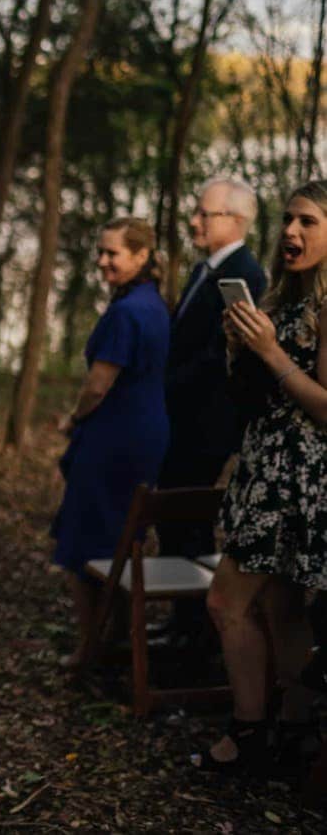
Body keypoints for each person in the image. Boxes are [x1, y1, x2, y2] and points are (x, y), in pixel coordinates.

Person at [195, 180, 327, 774]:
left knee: (226, 600)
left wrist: (272, 353)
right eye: (289, 221)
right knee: (281, 611)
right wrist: (240, 349)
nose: (292, 233)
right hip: (263, 470)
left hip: (297, 482)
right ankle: (295, 731)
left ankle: (247, 733)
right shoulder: (285, 299)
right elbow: (256, 401)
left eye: (309, 223)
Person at [50, 218, 170, 667]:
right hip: (145, 434)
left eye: (113, 253)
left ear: (141, 256)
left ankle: (90, 649)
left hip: (115, 438)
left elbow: (99, 384)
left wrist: (70, 419)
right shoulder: (153, 303)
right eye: (100, 252)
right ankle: (117, 635)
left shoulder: (127, 312)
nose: (102, 261)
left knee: (83, 542)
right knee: (122, 538)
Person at [158, 178, 266, 639]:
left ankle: (195, 633)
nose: (194, 220)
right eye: (197, 212)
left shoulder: (246, 275)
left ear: (236, 221)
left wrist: (163, 386)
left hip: (206, 423)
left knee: (189, 522)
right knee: (172, 520)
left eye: (206, 213)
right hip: (182, 419)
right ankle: (182, 623)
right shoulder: (207, 269)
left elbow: (218, 357)